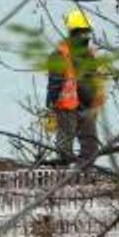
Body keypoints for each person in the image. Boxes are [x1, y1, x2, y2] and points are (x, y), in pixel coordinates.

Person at [44, 9, 107, 166]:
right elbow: (55, 82)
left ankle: (84, 174)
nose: (85, 36)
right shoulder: (59, 55)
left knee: (91, 146)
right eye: (82, 32)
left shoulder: (91, 55)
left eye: (87, 32)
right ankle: (63, 176)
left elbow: (95, 79)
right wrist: (52, 104)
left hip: (88, 106)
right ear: (73, 32)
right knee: (65, 148)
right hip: (67, 107)